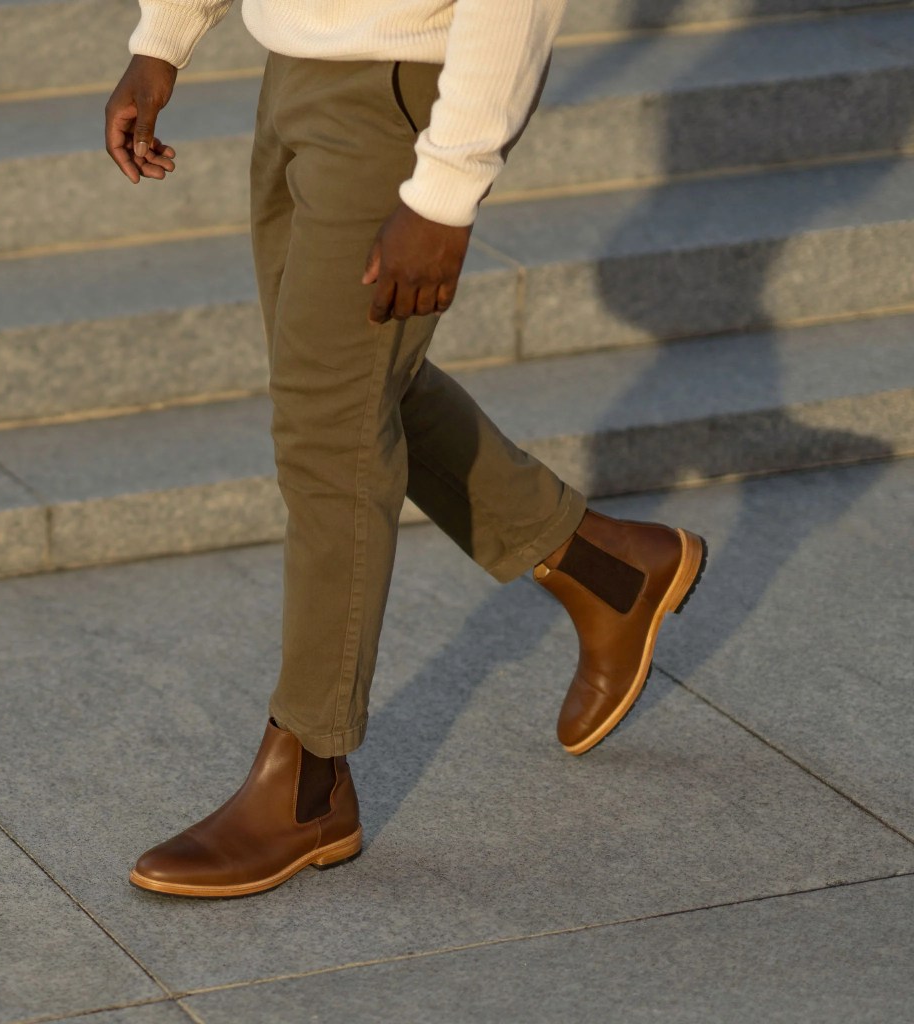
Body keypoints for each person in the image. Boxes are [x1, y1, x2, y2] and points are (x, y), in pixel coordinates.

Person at [105, 0, 707, 899]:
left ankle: (307, 777)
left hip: (399, 94)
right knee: (347, 387)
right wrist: (163, 39)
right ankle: (612, 571)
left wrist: (448, 186)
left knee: (328, 422)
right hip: (294, 72)